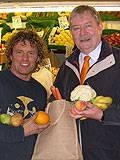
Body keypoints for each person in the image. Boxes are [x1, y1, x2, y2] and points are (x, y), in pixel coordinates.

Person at [52, 5, 120, 160]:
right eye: (76, 28)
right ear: (71, 33)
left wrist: (103, 114)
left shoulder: (117, 62)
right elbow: (56, 100)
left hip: (111, 153)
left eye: (88, 26)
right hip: (72, 151)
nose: (82, 33)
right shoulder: (68, 66)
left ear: (100, 27)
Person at [0, 30, 49, 160]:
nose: (25, 59)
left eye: (31, 53)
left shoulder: (40, 91)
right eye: (19, 52)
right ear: (10, 55)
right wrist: (21, 132)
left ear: (38, 58)